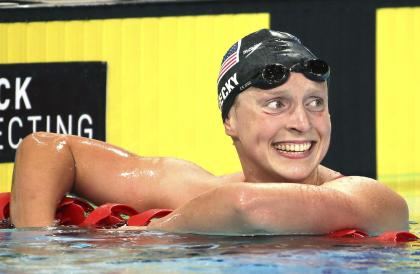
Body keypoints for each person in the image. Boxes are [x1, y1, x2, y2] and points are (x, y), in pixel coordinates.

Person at [10, 29, 408, 235]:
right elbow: (45, 148)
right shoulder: (195, 189)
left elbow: (251, 208)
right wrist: (40, 250)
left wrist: (153, 234)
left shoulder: (369, 198)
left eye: (315, 103)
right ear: (229, 122)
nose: (302, 123)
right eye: (276, 103)